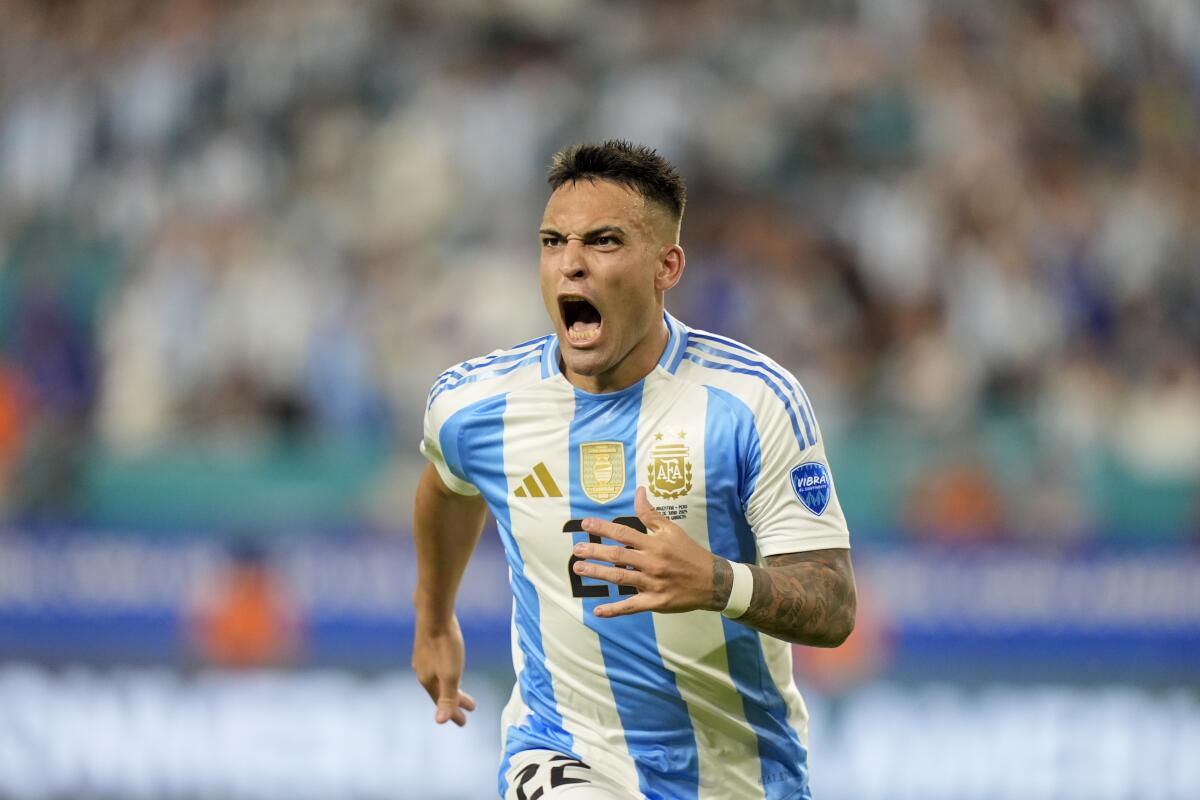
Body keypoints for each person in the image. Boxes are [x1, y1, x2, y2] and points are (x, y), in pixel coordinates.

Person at [412, 140, 856, 799]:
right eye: (553, 241)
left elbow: (834, 604)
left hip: (739, 774)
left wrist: (715, 581)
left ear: (666, 266)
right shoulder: (474, 407)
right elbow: (448, 488)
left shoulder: (752, 402)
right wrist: (433, 618)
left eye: (604, 242)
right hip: (562, 748)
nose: (571, 265)